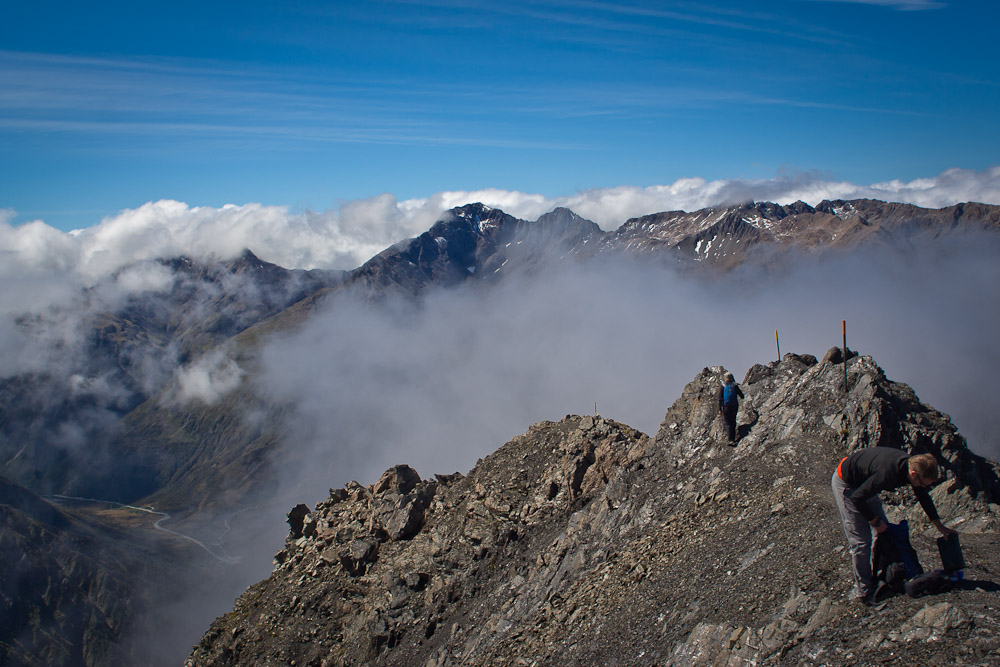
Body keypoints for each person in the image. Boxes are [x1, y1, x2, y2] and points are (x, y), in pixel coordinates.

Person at [831, 447, 957, 604]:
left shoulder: (911, 467)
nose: (923, 487)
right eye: (923, 483)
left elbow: (923, 497)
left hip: (866, 483)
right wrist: (874, 521)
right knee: (861, 542)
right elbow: (857, 498)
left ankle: (881, 577)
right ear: (914, 475)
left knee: (883, 534)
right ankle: (864, 591)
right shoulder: (888, 473)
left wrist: (940, 526)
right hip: (847, 484)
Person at [717, 372, 743, 444]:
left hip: (726, 407)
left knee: (728, 423)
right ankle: (733, 439)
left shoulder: (723, 386)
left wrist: (720, 409)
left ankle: (730, 440)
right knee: (733, 421)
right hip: (734, 406)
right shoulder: (734, 385)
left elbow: (720, 398)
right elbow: (741, 395)